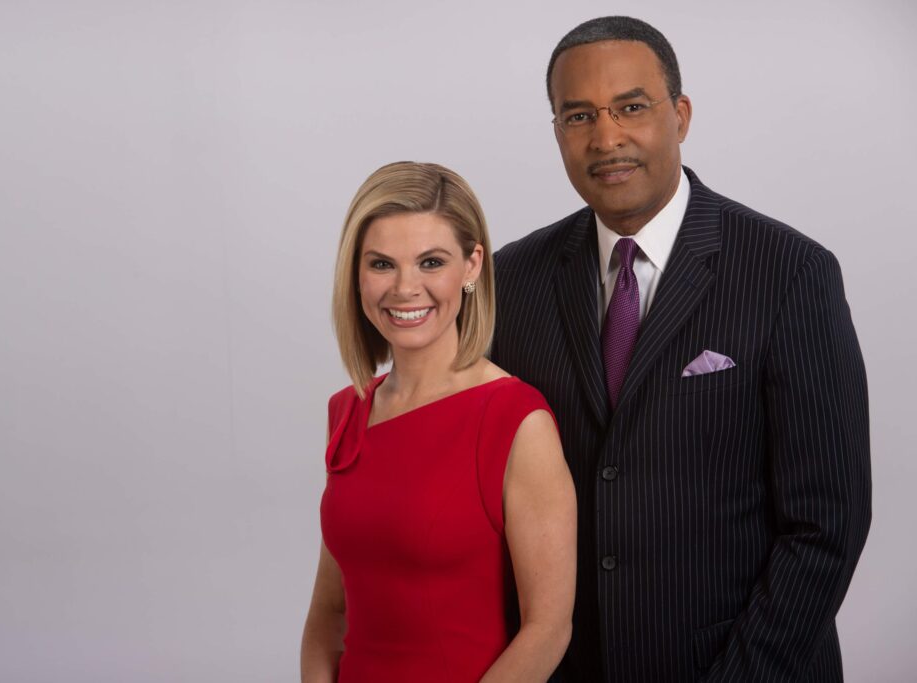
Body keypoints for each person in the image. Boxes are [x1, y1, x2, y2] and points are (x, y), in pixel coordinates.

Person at [491, 16, 871, 683]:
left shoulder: (789, 273)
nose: (607, 138)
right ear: (556, 132)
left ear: (681, 114)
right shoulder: (511, 282)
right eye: (578, 116)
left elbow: (825, 524)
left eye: (631, 107)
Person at [300, 161, 577, 682]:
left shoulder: (517, 420)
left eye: (431, 262)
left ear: (472, 266)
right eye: (381, 264)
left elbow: (548, 629)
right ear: (355, 272)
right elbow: (329, 614)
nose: (406, 288)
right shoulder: (347, 411)